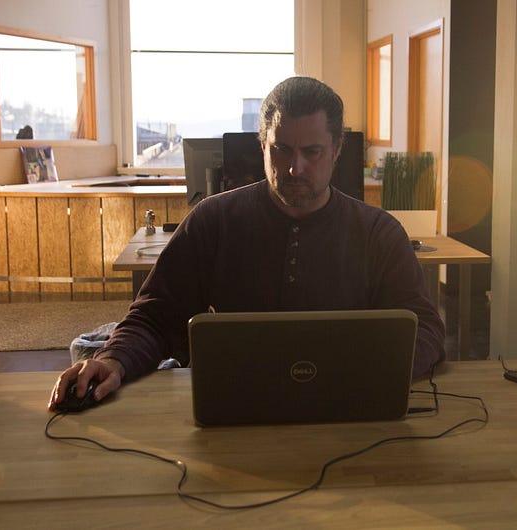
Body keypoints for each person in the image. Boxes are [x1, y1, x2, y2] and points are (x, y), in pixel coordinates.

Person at [49, 76, 446, 411]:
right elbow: (155, 316)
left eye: (312, 152)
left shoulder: (378, 233)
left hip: (349, 410)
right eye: (281, 150)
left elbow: (425, 328)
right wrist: (114, 359)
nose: (295, 168)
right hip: (234, 408)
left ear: (337, 149)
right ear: (262, 144)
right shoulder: (213, 221)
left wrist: (378, 374)